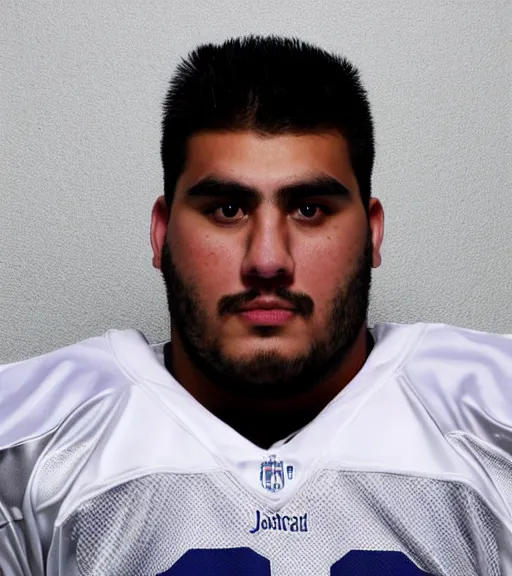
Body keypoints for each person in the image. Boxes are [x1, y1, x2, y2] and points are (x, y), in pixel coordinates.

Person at [0, 35, 510, 576]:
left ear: (373, 232)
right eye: (226, 209)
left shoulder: (491, 418)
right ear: (161, 232)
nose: (267, 261)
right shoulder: (31, 445)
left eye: (310, 209)